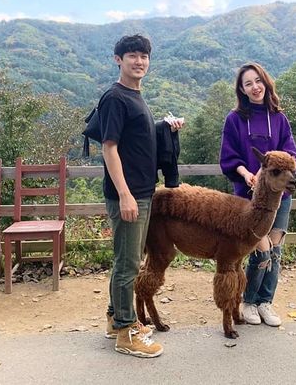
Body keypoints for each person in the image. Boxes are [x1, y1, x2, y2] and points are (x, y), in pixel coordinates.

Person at [99, 34, 183, 358]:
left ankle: (113, 317)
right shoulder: (115, 98)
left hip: (142, 192)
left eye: (144, 56)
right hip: (129, 194)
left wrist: (165, 126)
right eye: (132, 55)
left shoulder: (135, 96)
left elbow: (137, 137)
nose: (139, 61)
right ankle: (126, 331)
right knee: (129, 264)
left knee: (125, 259)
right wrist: (125, 194)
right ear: (117, 59)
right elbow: (110, 148)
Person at [219, 62, 296, 328]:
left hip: (279, 197)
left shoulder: (279, 118)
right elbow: (229, 157)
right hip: (248, 197)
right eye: (248, 84)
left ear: (265, 82)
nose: (255, 87)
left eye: (258, 81)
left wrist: (275, 171)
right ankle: (249, 301)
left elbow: (292, 154)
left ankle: (266, 301)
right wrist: (246, 173)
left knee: (276, 250)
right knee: (259, 250)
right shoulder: (235, 119)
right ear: (242, 90)